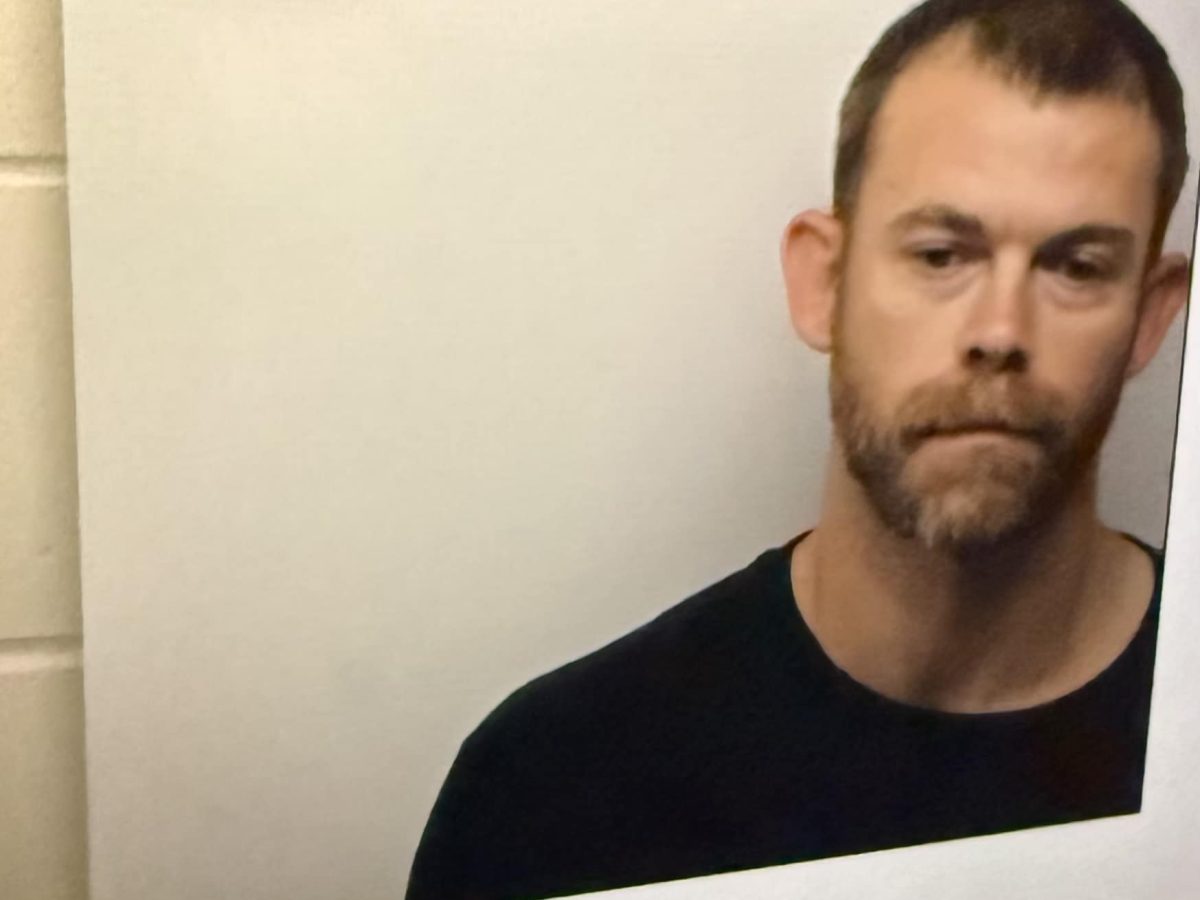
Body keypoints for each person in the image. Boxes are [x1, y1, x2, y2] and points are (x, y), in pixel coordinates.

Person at [406, 0, 1192, 897]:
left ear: (1151, 316)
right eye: (941, 255)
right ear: (823, 280)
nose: (1000, 332)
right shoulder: (548, 788)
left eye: (1078, 267)